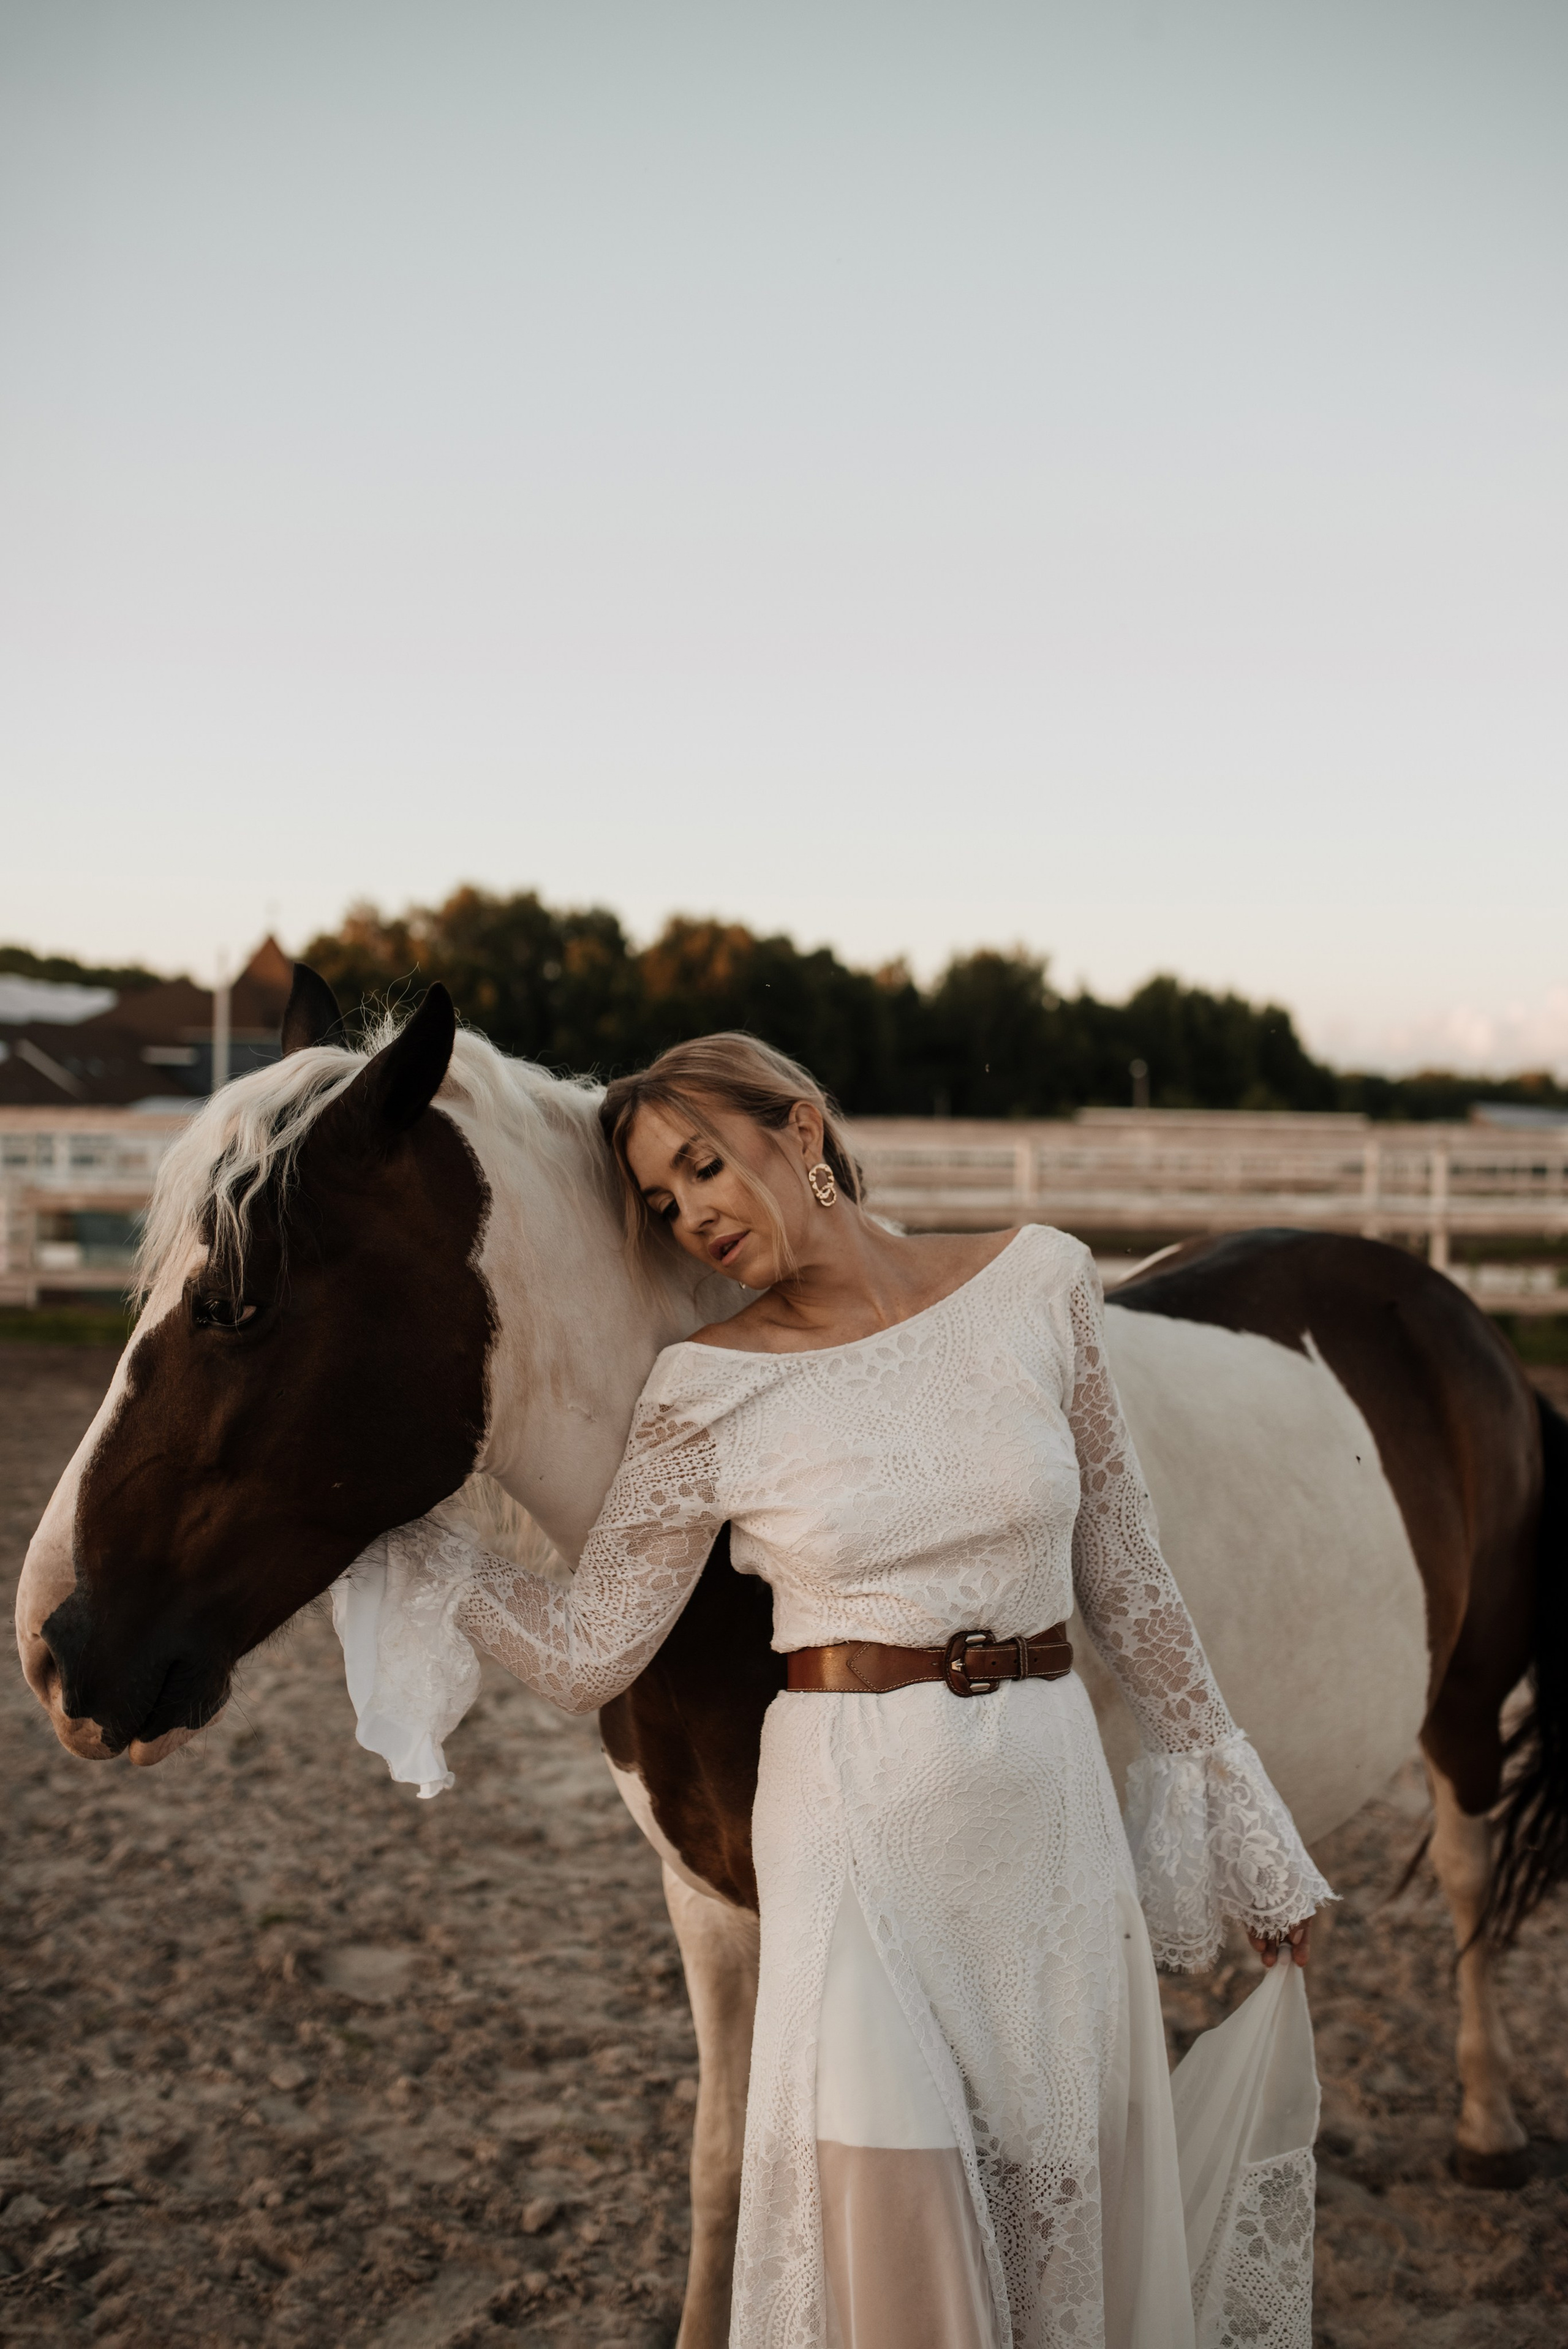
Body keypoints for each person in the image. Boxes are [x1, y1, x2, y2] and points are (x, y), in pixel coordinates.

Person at [354, 1033, 1330, 2349]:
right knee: (891, 2211)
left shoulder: (1039, 1280)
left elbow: (1124, 1569)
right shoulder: (701, 1392)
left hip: (1047, 1810)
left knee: (1058, 2191)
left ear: (799, 1131)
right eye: (660, 1201)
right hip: (852, 1825)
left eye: (703, 1163)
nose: (692, 1212)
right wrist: (422, 1556)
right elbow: (593, 1648)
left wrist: (1239, 1811)